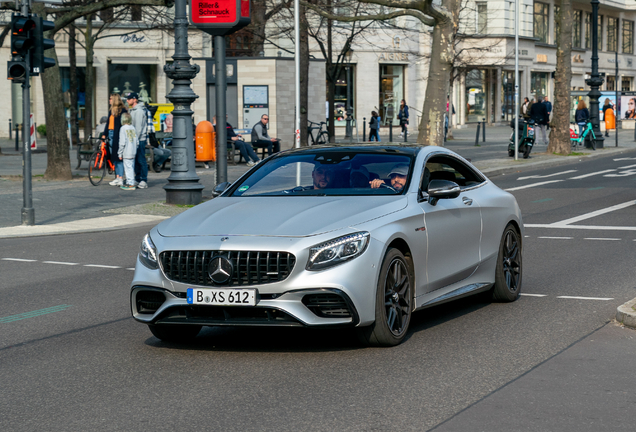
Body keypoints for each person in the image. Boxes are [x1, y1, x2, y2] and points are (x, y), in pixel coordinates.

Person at [102, 94, 127, 186]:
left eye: (111, 99)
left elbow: (122, 125)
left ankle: (120, 177)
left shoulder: (122, 111)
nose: (109, 100)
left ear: (115, 100)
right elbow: (108, 123)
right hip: (110, 133)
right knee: (114, 156)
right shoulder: (111, 111)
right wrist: (104, 134)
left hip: (118, 135)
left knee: (118, 156)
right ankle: (117, 176)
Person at [126, 92, 149, 189]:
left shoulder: (139, 111)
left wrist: (136, 140)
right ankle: (138, 178)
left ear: (135, 99)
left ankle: (143, 180)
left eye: (130, 99)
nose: (128, 100)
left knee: (141, 159)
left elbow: (138, 128)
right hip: (134, 139)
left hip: (139, 139)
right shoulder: (132, 111)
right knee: (135, 159)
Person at [117, 113, 139, 191]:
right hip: (133, 150)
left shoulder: (123, 128)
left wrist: (120, 153)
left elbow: (122, 142)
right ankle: (131, 181)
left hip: (127, 151)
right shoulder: (132, 127)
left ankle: (130, 183)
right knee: (131, 167)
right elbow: (137, 141)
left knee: (128, 168)